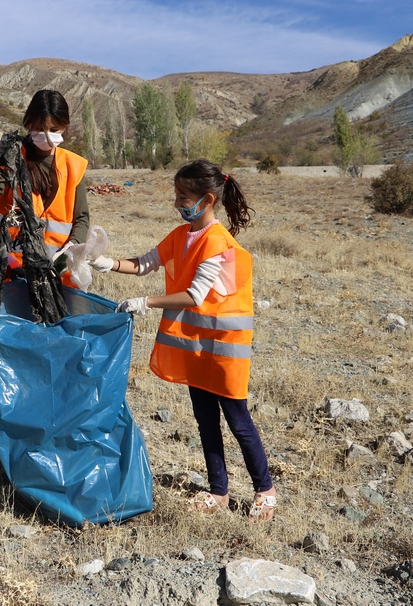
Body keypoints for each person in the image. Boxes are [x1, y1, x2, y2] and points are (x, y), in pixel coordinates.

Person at [91, 159, 276, 520]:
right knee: (205, 420)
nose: (177, 202)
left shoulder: (219, 244)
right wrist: (107, 263)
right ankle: (218, 492)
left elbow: (195, 295)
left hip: (224, 349)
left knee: (238, 422)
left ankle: (265, 489)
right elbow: (146, 263)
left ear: (207, 199)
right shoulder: (181, 236)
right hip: (196, 345)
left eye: (183, 196)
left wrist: (146, 303)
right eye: (176, 195)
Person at [0, 89, 89, 284]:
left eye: (53, 129)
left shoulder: (73, 165)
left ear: (64, 126)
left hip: (57, 273)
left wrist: (71, 248)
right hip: (12, 270)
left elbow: (82, 218)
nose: (47, 135)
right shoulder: (10, 157)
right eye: (40, 129)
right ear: (28, 124)